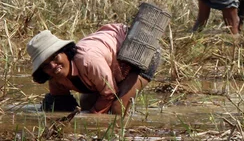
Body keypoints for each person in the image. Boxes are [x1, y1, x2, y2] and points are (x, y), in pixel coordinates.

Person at [26, 23, 160, 114]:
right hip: (112, 64)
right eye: (46, 66)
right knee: (86, 103)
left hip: (141, 52)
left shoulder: (87, 60)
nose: (54, 67)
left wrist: (93, 118)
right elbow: (60, 104)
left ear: (65, 52)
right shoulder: (55, 79)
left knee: (117, 107)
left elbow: (109, 92)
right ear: (43, 71)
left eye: (55, 58)